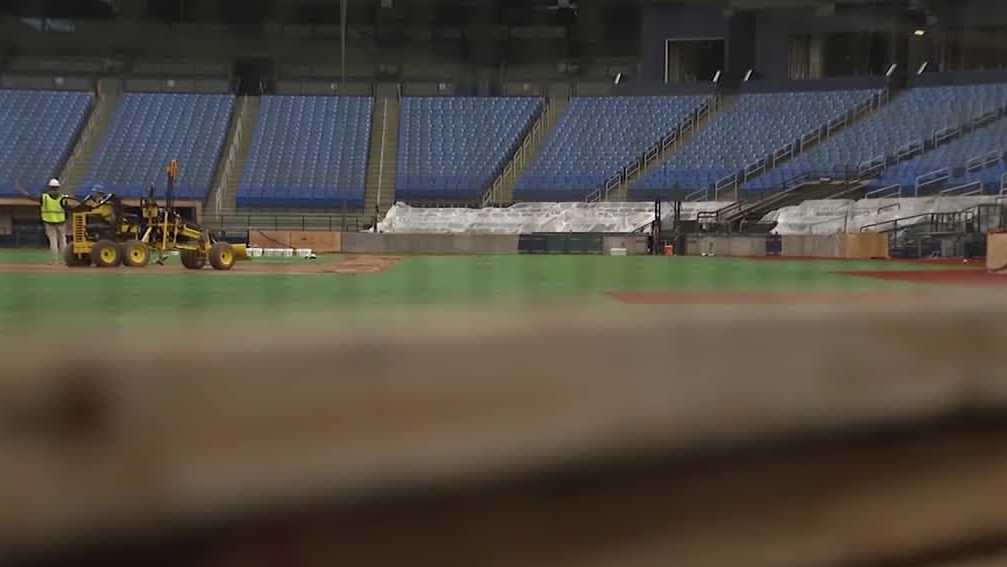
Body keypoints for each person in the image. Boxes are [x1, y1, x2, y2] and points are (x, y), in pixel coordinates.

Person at [16, 178, 70, 263]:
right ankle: (66, 260)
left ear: (49, 187)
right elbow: (67, 210)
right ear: (58, 187)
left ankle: (54, 260)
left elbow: (32, 198)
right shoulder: (63, 197)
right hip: (61, 222)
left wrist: (22, 191)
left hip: (49, 222)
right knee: (63, 240)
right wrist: (66, 220)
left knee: (53, 241)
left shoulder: (44, 197)